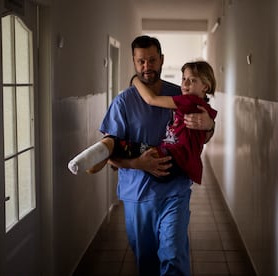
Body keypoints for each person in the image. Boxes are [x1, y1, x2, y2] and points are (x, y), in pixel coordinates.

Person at [94, 35, 215, 275]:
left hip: (175, 193)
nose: (146, 66)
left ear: (161, 60)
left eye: (151, 60)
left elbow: (201, 136)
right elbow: (110, 153)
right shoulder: (123, 102)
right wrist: (138, 163)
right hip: (138, 196)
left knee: (173, 257)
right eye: (141, 62)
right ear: (134, 62)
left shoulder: (179, 95)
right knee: (146, 260)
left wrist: (209, 125)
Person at [68, 61, 217, 185]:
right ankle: (100, 155)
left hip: (169, 160)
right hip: (176, 165)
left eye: (192, 80)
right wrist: (210, 124)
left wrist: (135, 81)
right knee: (120, 147)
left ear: (205, 86)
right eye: (183, 79)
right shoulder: (205, 108)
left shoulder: (189, 100)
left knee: (119, 145)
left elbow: (151, 99)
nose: (185, 84)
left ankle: (96, 157)